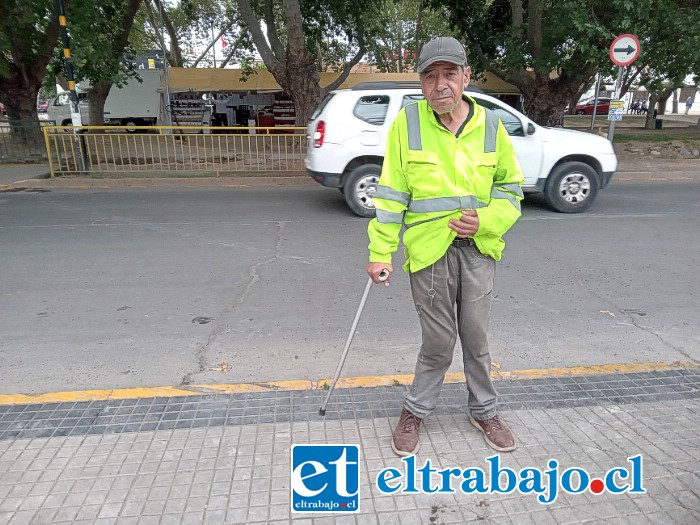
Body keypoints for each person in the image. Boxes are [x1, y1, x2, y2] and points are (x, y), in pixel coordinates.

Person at [366, 36, 524, 456]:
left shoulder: (491, 125)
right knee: (438, 343)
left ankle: (485, 410)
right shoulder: (408, 123)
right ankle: (415, 411)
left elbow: (510, 190)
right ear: (421, 83)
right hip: (429, 252)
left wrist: (485, 220)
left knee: (476, 339)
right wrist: (381, 253)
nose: (440, 85)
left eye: (449, 74)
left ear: (466, 77)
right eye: (430, 76)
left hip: (479, 249)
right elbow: (392, 194)